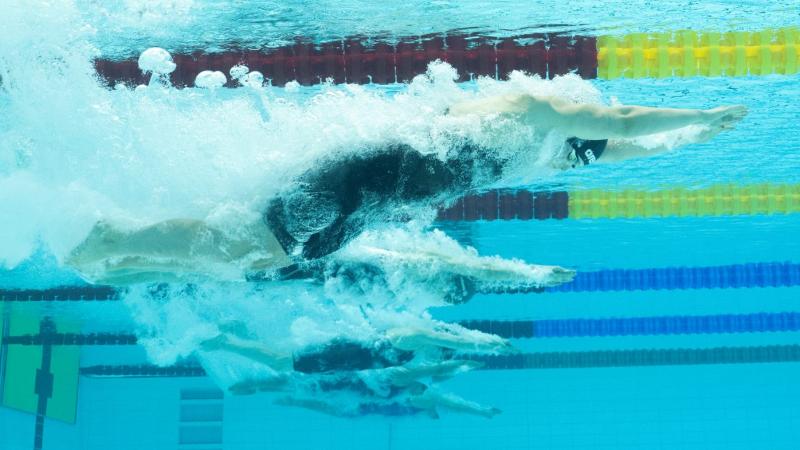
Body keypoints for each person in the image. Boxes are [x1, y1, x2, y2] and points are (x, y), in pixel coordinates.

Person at [65, 93, 747, 285]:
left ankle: (130, 255)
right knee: (255, 241)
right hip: (363, 171)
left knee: (262, 258)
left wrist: (689, 141)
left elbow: (624, 143)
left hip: (378, 196)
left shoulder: (545, 153)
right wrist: (700, 114)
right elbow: (622, 120)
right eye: (586, 149)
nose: (586, 158)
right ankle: (115, 237)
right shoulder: (539, 108)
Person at [199, 325, 503, 418]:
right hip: (343, 355)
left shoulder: (407, 370)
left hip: (343, 363)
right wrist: (480, 350)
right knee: (282, 363)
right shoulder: (414, 343)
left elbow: (441, 393)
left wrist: (480, 410)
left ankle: (243, 366)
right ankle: (227, 342)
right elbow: (438, 363)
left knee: (286, 375)